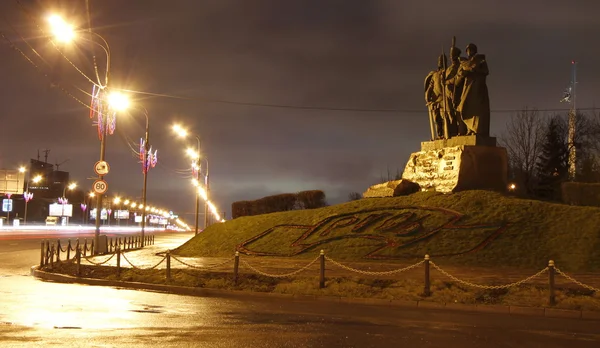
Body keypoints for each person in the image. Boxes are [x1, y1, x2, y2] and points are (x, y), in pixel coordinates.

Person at [448, 43, 491, 136]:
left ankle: (476, 130)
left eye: (470, 50)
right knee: (464, 108)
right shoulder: (465, 63)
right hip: (467, 89)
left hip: (477, 89)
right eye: (467, 50)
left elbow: (486, 71)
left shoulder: (480, 60)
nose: (469, 52)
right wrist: (462, 74)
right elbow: (458, 78)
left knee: (477, 111)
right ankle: (469, 130)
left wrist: (473, 70)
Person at [424, 54, 448, 139]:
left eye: (443, 61)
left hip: (444, 99)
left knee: (444, 117)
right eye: (440, 61)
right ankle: (440, 135)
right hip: (435, 100)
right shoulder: (435, 74)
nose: (441, 63)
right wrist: (427, 96)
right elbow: (431, 86)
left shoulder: (447, 72)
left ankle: (446, 135)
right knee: (437, 119)